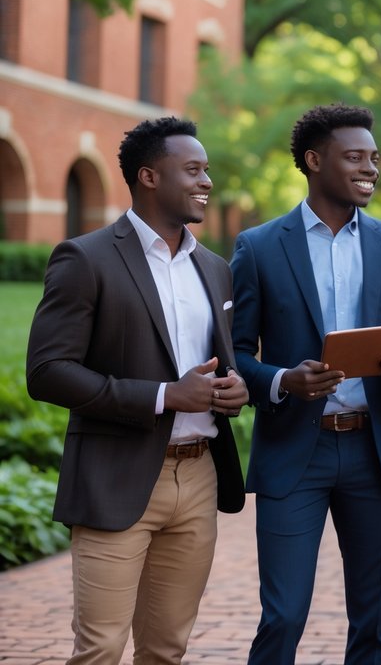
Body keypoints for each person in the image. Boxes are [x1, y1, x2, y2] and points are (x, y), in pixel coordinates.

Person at [26, 116, 247, 664]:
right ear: (149, 176)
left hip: (198, 477)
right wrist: (164, 396)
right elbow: (48, 370)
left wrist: (232, 389)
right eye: (193, 170)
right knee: (99, 648)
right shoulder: (86, 258)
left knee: (167, 649)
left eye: (207, 170)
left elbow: (216, 363)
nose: (206, 182)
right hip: (116, 477)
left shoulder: (215, 269)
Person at [231, 103, 381, 664]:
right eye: (355, 157)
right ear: (314, 161)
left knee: (373, 620)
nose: (370, 168)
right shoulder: (260, 246)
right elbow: (236, 354)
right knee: (284, 614)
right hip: (296, 452)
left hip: (374, 450)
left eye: (374, 157)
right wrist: (283, 380)